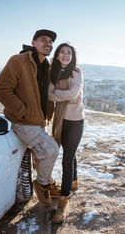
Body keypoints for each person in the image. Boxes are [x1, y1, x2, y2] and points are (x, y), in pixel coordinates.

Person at [0, 29, 60, 206]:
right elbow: (1, 89)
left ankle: (47, 181)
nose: (48, 44)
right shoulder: (18, 61)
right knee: (51, 150)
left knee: (40, 156)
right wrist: (22, 111)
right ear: (33, 43)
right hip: (22, 121)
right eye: (43, 40)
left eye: (50, 42)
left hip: (38, 120)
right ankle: (42, 185)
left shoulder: (48, 66)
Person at [48, 43, 84, 223]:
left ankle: (63, 203)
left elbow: (73, 93)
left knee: (67, 158)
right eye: (62, 52)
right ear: (57, 55)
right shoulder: (53, 72)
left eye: (69, 53)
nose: (65, 55)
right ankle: (74, 181)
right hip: (60, 120)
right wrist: (65, 94)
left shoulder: (76, 72)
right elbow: (49, 95)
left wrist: (59, 94)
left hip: (76, 121)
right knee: (70, 152)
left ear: (73, 56)